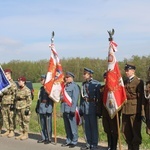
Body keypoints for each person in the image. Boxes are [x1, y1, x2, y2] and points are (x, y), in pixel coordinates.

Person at [122, 63, 145, 150]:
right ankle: (129, 147)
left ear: (133, 71)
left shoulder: (139, 82)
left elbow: (141, 98)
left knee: (135, 132)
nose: (126, 72)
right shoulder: (125, 81)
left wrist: (142, 112)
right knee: (126, 131)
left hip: (135, 110)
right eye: (126, 70)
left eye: (128, 70)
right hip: (125, 109)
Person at [80, 68, 101, 150]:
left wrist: (98, 110)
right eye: (84, 74)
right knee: (87, 127)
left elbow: (98, 98)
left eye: (85, 74)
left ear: (89, 75)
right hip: (85, 107)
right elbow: (82, 98)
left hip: (92, 107)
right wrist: (81, 108)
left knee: (93, 126)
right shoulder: (83, 84)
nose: (83, 75)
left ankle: (94, 144)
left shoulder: (96, 84)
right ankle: (88, 143)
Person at [99, 72, 120, 150]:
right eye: (104, 78)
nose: (105, 80)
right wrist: (99, 112)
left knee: (114, 130)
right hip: (105, 112)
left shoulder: (116, 89)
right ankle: (109, 145)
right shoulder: (102, 88)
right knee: (107, 129)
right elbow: (100, 102)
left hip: (114, 113)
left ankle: (114, 146)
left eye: (107, 78)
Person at [61, 71, 80, 148]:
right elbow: (62, 97)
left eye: (68, 77)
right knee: (67, 126)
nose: (66, 78)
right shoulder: (65, 86)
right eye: (66, 77)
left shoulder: (75, 86)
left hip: (70, 109)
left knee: (73, 126)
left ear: (72, 78)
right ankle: (68, 140)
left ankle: (74, 141)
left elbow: (75, 99)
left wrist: (72, 110)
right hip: (64, 109)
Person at [35, 74, 54, 144]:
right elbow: (39, 99)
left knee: (48, 125)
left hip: (47, 107)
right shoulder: (41, 89)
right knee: (42, 124)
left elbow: (52, 100)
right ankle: (43, 137)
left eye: (42, 79)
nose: (41, 81)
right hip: (41, 107)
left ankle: (49, 138)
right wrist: (37, 107)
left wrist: (49, 109)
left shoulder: (49, 88)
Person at [0, 69, 17, 138]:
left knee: (11, 117)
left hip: (10, 102)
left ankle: (12, 131)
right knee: (5, 117)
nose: (5, 75)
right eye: (5, 74)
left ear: (10, 74)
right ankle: (8, 130)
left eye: (6, 74)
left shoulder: (12, 83)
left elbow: (14, 93)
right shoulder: (4, 83)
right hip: (4, 102)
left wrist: (13, 103)